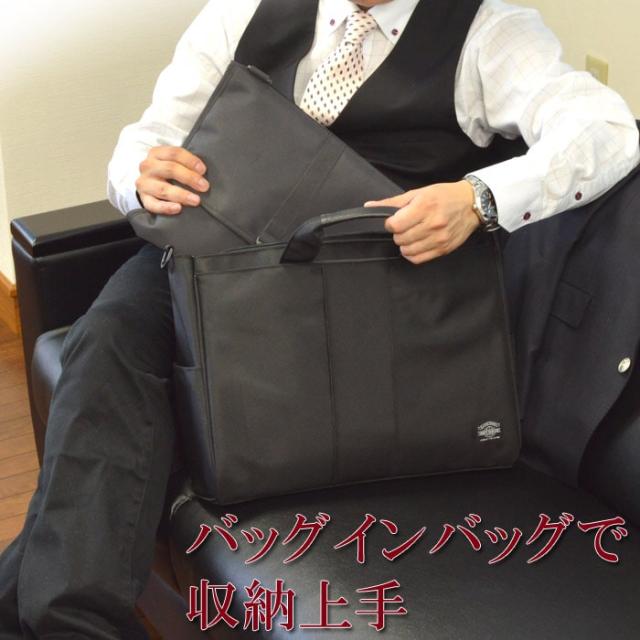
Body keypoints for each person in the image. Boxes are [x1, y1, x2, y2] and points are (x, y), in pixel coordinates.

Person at [0, 0, 638, 638]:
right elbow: (151, 136)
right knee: (106, 342)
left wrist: (479, 199)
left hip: (356, 305)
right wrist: (140, 177)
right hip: (209, 264)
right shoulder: (241, 12)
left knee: (113, 414)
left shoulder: (486, 30)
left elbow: (606, 129)